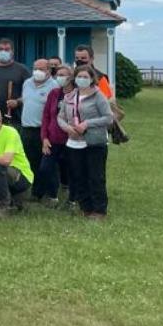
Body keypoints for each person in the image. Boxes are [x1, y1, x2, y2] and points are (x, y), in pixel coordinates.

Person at [57, 66, 113, 219]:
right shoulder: (70, 97)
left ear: (91, 78)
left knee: (95, 176)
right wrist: (68, 128)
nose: (82, 79)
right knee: (78, 176)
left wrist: (87, 124)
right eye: (79, 76)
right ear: (74, 78)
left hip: (94, 142)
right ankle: (86, 208)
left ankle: (99, 210)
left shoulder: (98, 96)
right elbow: (60, 117)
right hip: (74, 142)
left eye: (85, 76)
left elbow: (108, 118)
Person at [18, 58, 59, 196]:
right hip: (27, 129)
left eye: (41, 69)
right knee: (30, 162)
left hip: (43, 130)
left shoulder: (54, 86)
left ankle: (50, 192)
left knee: (46, 164)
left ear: (48, 71)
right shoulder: (27, 83)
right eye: (35, 68)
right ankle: (36, 191)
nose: (37, 71)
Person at [39, 65, 74, 204]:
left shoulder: (77, 94)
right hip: (53, 139)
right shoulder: (54, 93)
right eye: (58, 74)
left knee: (71, 169)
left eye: (63, 74)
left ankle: (72, 198)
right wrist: (44, 138)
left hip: (72, 140)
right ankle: (53, 196)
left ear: (71, 77)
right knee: (46, 168)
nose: (60, 77)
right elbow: (46, 116)